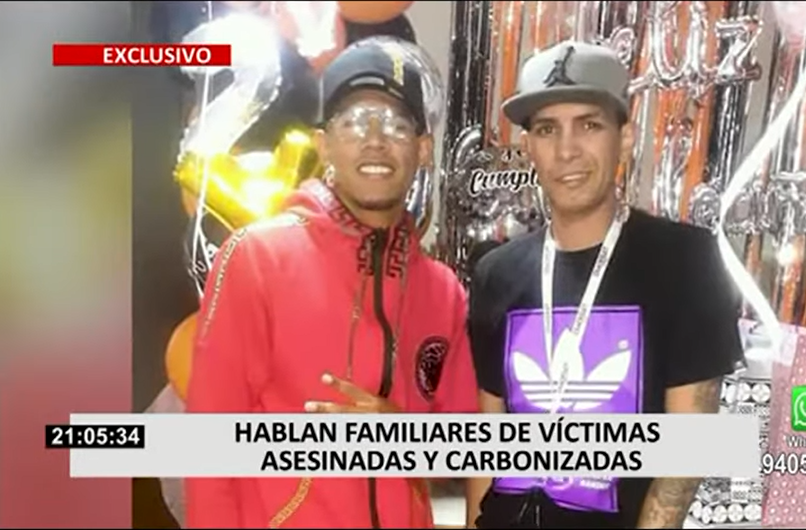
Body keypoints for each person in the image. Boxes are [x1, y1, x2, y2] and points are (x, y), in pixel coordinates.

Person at [185, 42, 480, 529]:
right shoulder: (258, 258)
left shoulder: (442, 290)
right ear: (323, 144)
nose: (375, 140)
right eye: (356, 121)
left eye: (396, 125)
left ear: (423, 150)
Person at [466, 41, 743, 529]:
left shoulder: (685, 260)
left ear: (626, 137)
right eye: (547, 129)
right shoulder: (496, 272)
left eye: (589, 125)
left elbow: (689, 450)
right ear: (528, 146)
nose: (566, 150)